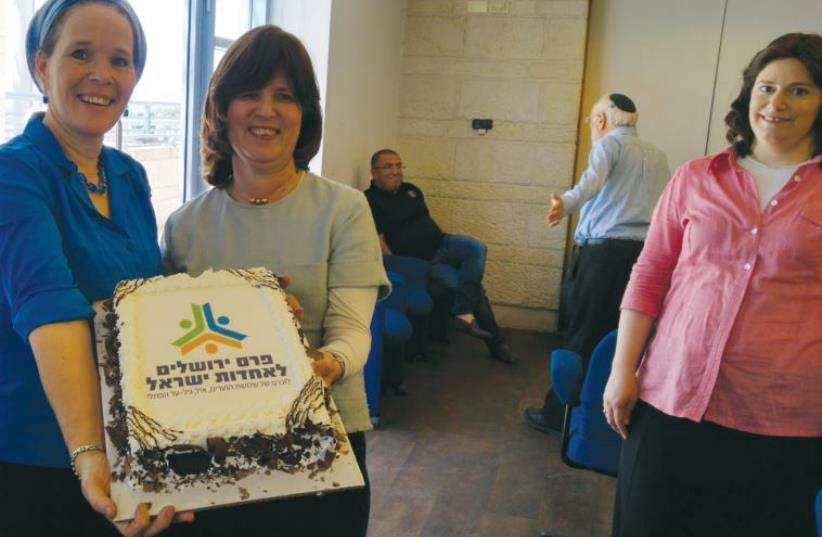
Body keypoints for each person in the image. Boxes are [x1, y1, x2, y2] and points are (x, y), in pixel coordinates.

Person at [161, 25, 389, 537]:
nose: (266, 110)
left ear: (304, 113)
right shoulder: (183, 226)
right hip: (213, 445)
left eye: (284, 96)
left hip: (323, 440)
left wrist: (321, 365)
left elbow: (354, 334)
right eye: (249, 94)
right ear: (222, 109)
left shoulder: (345, 210)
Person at [603, 32, 822, 537]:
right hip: (672, 397)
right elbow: (650, 274)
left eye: (800, 90)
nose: (777, 103)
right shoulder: (696, 178)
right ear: (748, 96)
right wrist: (622, 370)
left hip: (783, 418)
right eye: (766, 88)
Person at [0, 1, 190, 535]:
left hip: (125, 443)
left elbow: (142, 302)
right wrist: (88, 451)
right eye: (80, 53)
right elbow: (52, 308)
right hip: (36, 453)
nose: (101, 75)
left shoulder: (128, 175)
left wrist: (256, 305)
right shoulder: (12, 173)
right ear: (42, 66)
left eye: (120, 60)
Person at [524, 93, 670, 434]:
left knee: (583, 333)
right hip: (645, 256)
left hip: (603, 256)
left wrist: (565, 204)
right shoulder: (658, 155)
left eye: (593, 121)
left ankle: (558, 415)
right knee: (625, 337)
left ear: (601, 121)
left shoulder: (609, 146)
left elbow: (590, 183)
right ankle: (610, 413)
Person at [364, 149, 519, 365]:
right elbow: (379, 242)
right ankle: (497, 344)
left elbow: (425, 222)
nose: (396, 171)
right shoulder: (368, 200)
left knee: (476, 247)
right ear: (374, 172)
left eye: (399, 166)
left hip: (443, 244)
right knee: (476, 293)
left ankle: (462, 311)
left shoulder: (411, 190)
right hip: (424, 264)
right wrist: (405, 268)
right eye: (388, 166)